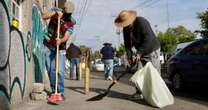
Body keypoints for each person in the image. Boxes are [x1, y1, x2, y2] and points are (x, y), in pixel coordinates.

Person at [114, 10, 161, 99]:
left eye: (126, 23)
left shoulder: (141, 22)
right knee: (139, 72)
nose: (125, 25)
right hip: (141, 51)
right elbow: (127, 44)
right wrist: (129, 56)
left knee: (154, 73)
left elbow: (149, 39)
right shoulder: (126, 29)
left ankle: (156, 95)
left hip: (152, 49)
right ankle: (139, 93)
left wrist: (139, 52)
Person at [42, 1, 75, 101]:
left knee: (59, 70)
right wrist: (55, 14)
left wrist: (60, 40)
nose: (68, 15)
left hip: (60, 48)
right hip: (48, 45)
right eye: (67, 12)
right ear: (63, 10)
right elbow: (44, 16)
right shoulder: (56, 11)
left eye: (70, 13)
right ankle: (53, 91)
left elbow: (67, 36)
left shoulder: (71, 22)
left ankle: (60, 92)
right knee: (50, 69)